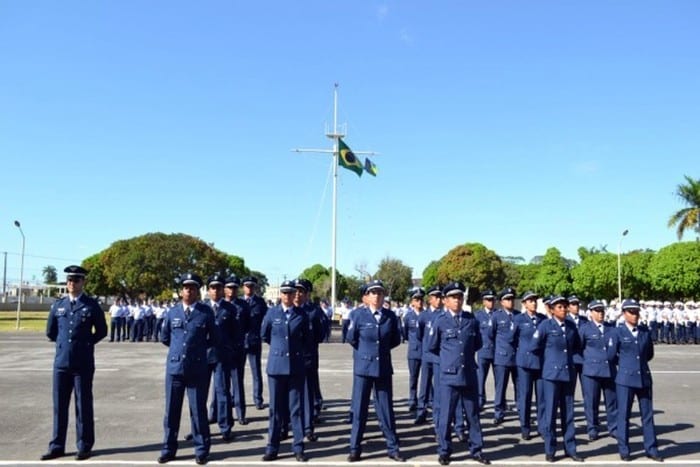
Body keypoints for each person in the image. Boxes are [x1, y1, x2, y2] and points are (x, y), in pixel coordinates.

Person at [41, 265, 108, 461]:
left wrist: (86, 344)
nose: (72, 283)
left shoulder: (91, 305)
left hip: (83, 363)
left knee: (83, 405)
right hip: (61, 363)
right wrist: (64, 347)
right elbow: (50, 332)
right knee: (59, 406)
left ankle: (84, 445)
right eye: (69, 280)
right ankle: (57, 445)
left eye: (76, 280)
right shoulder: (58, 305)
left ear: (83, 282)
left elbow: (102, 331)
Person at [157, 273, 218, 465]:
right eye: (185, 287)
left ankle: (201, 450)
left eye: (192, 288)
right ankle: (168, 448)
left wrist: (197, 352)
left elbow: (214, 339)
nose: (188, 291)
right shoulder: (172, 312)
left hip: (197, 368)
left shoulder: (205, 312)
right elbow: (165, 337)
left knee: (198, 411)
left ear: (198, 291)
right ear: (181, 290)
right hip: (175, 368)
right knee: (171, 411)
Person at [428, 281, 491, 466]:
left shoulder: (471, 320)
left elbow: (477, 343)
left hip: (469, 373)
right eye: (453, 297)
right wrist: (449, 361)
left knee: (473, 415)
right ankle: (445, 450)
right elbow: (432, 346)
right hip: (449, 375)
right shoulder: (440, 321)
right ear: (446, 301)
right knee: (446, 416)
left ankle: (477, 449)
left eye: (459, 297)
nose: (457, 300)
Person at [347, 279, 404, 463]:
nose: (377, 296)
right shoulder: (357, 315)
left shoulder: (390, 316)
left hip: (383, 368)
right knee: (359, 410)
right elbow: (352, 338)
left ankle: (393, 448)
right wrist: (366, 354)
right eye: (373, 292)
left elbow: (395, 339)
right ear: (367, 296)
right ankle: (355, 448)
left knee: (386, 410)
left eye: (380, 292)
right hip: (363, 368)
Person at [607, 299, 663, 462]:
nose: (635, 315)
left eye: (637, 312)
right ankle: (624, 449)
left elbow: (649, 354)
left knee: (647, 415)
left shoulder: (644, 331)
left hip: (644, 377)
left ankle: (651, 448)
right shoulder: (617, 332)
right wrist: (625, 365)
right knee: (623, 415)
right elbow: (611, 356)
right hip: (625, 378)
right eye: (631, 312)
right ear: (624, 314)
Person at [260, 280, 310, 462]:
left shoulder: (301, 315)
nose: (288, 296)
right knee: (275, 410)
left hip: (295, 367)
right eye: (285, 292)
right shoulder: (272, 313)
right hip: (276, 367)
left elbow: (306, 338)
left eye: (291, 293)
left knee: (295, 410)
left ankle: (298, 447)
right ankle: (272, 448)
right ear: (280, 294)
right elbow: (264, 335)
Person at [534, 295, 583, 463]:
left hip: (567, 374)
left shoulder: (571, 326)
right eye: (559, 307)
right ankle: (550, 449)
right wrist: (547, 364)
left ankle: (571, 448)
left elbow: (576, 346)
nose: (562, 309)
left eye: (564, 306)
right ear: (552, 309)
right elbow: (535, 347)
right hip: (551, 376)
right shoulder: (545, 326)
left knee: (568, 414)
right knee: (550, 414)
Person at [579, 299, 617, 441]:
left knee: (612, 402)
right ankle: (592, 428)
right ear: (590, 313)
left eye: (602, 311)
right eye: (597, 311)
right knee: (592, 402)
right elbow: (578, 348)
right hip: (592, 371)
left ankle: (613, 427)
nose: (600, 314)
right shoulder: (585, 328)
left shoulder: (611, 329)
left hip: (609, 370)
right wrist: (587, 363)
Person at [513, 291, 546, 441]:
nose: (533, 303)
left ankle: (542, 426)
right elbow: (511, 339)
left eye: (534, 300)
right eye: (530, 301)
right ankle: (525, 426)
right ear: (524, 304)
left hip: (540, 362)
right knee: (525, 396)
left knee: (542, 397)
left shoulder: (543, 319)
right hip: (525, 363)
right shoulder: (518, 319)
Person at [223, 275, 251, 425]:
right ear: (224, 289)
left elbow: (247, 326)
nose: (232, 290)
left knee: (237, 382)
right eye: (229, 287)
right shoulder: (218, 305)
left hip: (238, 349)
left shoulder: (243, 306)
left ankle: (240, 413)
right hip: (221, 350)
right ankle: (218, 413)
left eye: (234, 287)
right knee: (220, 385)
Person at [415, 285, 443, 426]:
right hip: (426, 355)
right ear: (430, 299)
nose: (438, 300)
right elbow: (420, 335)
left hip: (439, 357)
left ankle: (438, 415)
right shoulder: (424, 316)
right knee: (424, 385)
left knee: (438, 387)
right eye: (436, 297)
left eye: (440, 297)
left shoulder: (444, 315)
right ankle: (421, 412)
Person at [490, 287, 519, 426]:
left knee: (519, 386)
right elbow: (490, 335)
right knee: (501, 387)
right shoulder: (496, 316)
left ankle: (521, 411)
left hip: (517, 357)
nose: (511, 301)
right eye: (507, 299)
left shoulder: (519, 315)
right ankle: (499, 412)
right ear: (502, 302)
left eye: (512, 298)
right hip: (502, 356)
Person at [242, 276, 268, 410]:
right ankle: (236, 399)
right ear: (243, 287)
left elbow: (267, 320)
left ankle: (258, 399)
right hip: (239, 342)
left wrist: (262, 335)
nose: (249, 288)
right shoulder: (238, 302)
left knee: (256, 372)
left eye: (251, 286)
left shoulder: (260, 302)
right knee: (236, 374)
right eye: (247, 286)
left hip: (254, 341)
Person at [402, 286, 425, 412]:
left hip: (426, 351)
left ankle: (427, 400)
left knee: (427, 378)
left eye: (421, 299)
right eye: (416, 299)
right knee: (413, 377)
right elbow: (405, 334)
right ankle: (412, 399)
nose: (419, 302)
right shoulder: (408, 317)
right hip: (414, 351)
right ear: (412, 302)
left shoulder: (428, 315)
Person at [474, 289, 496, 412]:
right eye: (488, 299)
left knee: (499, 381)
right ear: (483, 301)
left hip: (497, 351)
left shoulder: (498, 314)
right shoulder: (478, 315)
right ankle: (480, 400)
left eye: (492, 299)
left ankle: (500, 403)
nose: (491, 302)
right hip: (483, 351)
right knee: (481, 378)